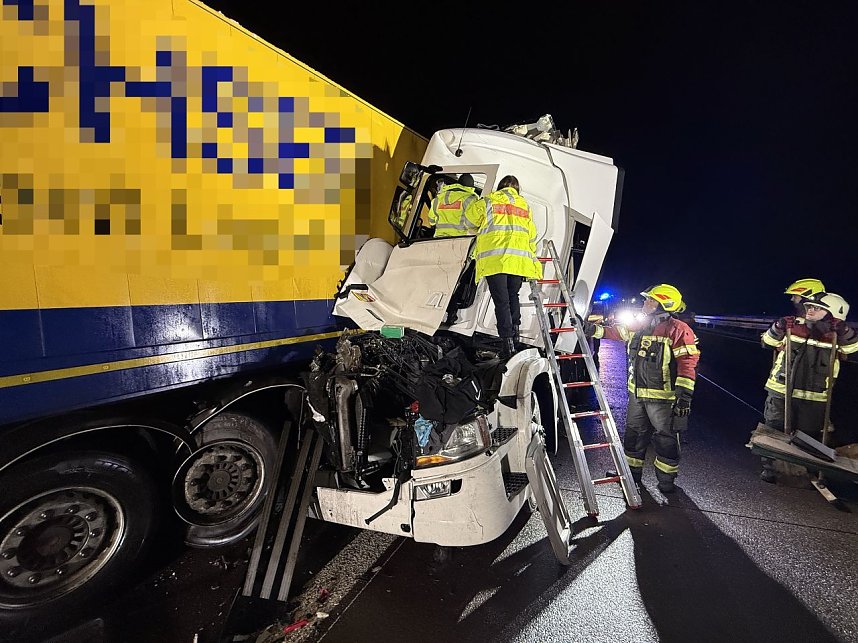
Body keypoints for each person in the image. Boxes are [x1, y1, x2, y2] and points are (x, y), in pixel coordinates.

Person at [580, 284, 700, 493]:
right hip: (637, 395)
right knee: (634, 435)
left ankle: (666, 481)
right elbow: (613, 332)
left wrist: (684, 397)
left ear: (664, 304)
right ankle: (630, 476)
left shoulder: (679, 330)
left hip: (663, 398)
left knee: (665, 439)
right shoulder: (640, 325)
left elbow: (687, 364)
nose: (646, 302)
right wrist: (589, 328)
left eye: (651, 300)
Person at [759, 292, 857, 482]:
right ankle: (771, 470)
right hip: (781, 390)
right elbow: (768, 342)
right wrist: (778, 327)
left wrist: (844, 331)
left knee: (808, 437)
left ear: (834, 314)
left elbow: (852, 350)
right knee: (774, 430)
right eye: (809, 306)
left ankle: (801, 473)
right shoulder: (794, 326)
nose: (810, 310)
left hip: (814, 397)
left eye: (817, 308)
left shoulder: (837, 335)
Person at [464, 175, 541, 358]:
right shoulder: (524, 206)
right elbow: (532, 235)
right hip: (518, 262)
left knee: (502, 301)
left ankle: (507, 343)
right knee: (512, 297)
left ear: (500, 187)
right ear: (517, 189)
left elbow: (469, 220)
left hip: (496, 260)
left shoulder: (489, 200)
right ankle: (515, 336)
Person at [428, 173, 480, 238]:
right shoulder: (471, 200)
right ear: (470, 187)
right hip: (459, 239)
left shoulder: (438, 199)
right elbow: (473, 222)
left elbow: (431, 221)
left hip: (437, 239)